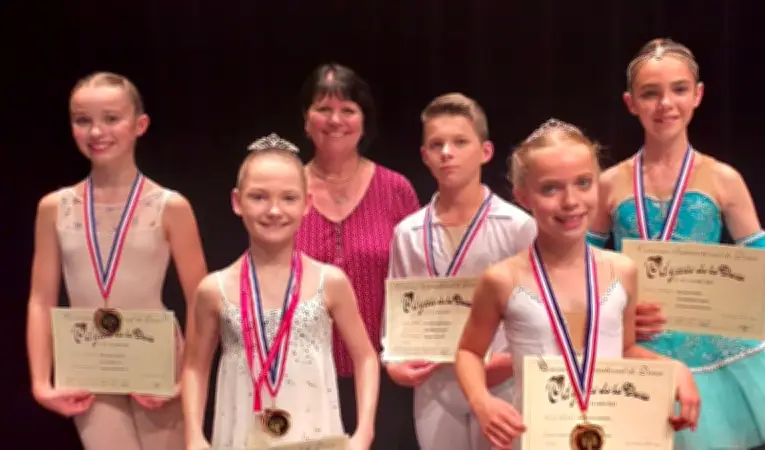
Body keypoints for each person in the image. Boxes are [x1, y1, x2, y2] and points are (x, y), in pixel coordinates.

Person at [589, 38, 765, 450]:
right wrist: (616, 318)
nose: (665, 103)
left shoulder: (723, 179)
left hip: (719, 346)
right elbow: (585, 273)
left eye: (678, 89)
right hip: (643, 344)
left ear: (698, 95)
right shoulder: (610, 183)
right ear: (631, 103)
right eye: (650, 93)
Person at [454, 118, 700, 450]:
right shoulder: (502, 279)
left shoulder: (622, 270)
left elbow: (624, 349)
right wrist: (481, 401)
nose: (570, 201)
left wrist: (674, 369)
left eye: (583, 183)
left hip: (614, 435)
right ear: (523, 195)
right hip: (539, 438)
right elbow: (469, 351)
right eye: (550, 188)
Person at [25, 71, 208, 450]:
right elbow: (41, 299)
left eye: (111, 118)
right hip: (90, 364)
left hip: (156, 364)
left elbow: (201, 299)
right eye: (83, 120)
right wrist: (41, 381)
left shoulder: (170, 206)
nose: (96, 132)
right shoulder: (54, 208)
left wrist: (189, 374)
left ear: (139, 124)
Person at [181, 133, 380, 450]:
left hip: (314, 435)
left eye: (288, 198)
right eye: (259, 197)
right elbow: (195, 366)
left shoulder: (330, 282)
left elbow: (366, 357)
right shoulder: (214, 289)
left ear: (307, 204)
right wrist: (194, 435)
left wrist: (363, 432)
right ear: (237, 202)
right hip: (240, 437)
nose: (274, 210)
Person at [382, 93, 538, 450]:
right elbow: (397, 313)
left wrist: (513, 361)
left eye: (460, 142)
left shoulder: (517, 226)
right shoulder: (408, 232)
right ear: (424, 156)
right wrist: (393, 362)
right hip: (436, 387)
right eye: (436, 144)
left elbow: (537, 311)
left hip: (501, 382)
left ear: (485, 151)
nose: (447, 152)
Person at [294, 63, 422, 449]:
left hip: (385, 376)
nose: (335, 120)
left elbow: (417, 283)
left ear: (364, 122)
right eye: (323, 108)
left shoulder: (395, 188)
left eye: (348, 109)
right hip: (301, 373)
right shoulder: (284, 188)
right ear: (305, 120)